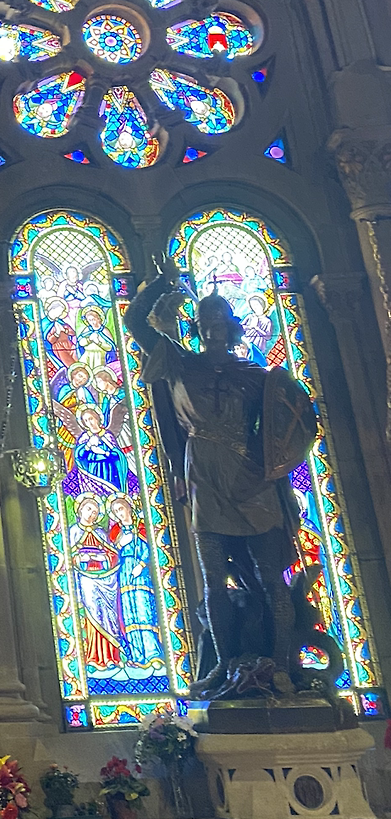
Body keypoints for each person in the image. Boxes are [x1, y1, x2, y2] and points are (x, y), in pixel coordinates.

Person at [126, 264, 318, 695]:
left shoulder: (255, 376)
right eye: (204, 321)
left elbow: (287, 427)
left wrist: (278, 472)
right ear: (196, 327)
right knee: (213, 578)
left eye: (219, 320)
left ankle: (282, 665)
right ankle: (224, 664)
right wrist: (162, 285)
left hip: (251, 480)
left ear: (231, 327)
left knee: (271, 577)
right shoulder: (179, 363)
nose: (212, 327)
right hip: (205, 477)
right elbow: (136, 321)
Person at [68, 493, 124, 672]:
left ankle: (112, 657)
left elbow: (113, 554)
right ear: (80, 510)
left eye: (95, 512)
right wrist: (80, 558)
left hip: (106, 579)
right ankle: (94, 657)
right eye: (88, 509)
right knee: (93, 612)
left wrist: (101, 558)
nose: (92, 514)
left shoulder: (100, 533)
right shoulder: (73, 531)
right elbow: (66, 556)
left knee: (108, 616)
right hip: (86, 578)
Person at [108, 494, 164, 671]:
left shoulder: (141, 526)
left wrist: (141, 564)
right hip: (124, 571)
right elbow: (110, 553)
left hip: (141, 571)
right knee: (129, 612)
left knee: (143, 609)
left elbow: (151, 548)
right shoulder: (115, 532)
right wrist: (119, 545)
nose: (119, 513)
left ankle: (153, 653)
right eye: (116, 511)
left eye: (121, 508)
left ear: (129, 508)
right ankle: (137, 655)